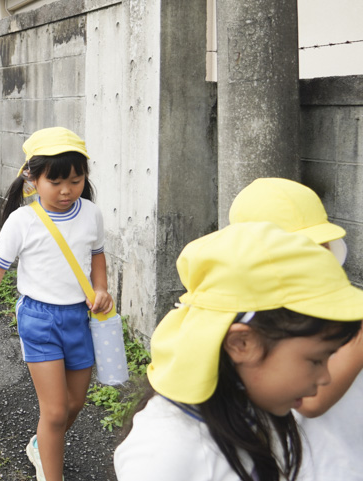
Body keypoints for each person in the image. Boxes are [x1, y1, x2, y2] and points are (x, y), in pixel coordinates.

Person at [114, 222, 363, 481]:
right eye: (316, 360)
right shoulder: (165, 453)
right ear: (242, 344)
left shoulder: (253, 412)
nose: (325, 377)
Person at [0, 127, 112, 481]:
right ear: (32, 178)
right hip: (39, 319)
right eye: (56, 182)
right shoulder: (22, 220)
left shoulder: (91, 213)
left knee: (74, 404)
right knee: (56, 411)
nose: (66, 190)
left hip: (80, 318)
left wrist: (102, 289)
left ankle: (40, 444)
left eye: (76, 180)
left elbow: (97, 256)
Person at [227, 177, 363, 480]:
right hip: (315, 465)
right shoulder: (254, 314)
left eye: (321, 244)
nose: (320, 254)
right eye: (305, 248)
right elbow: (313, 402)